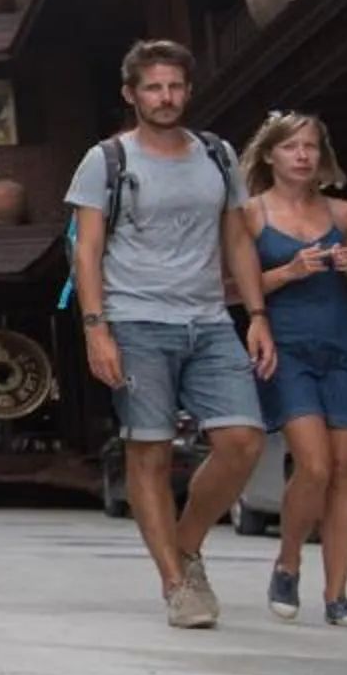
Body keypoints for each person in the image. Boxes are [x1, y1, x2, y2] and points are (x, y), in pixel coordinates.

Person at [67, 40, 277, 628]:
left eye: (176, 86)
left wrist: (257, 315)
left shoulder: (217, 154)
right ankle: (176, 584)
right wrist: (96, 328)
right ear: (131, 94)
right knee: (149, 450)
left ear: (188, 90)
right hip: (135, 319)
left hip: (209, 319)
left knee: (243, 441)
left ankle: (185, 543)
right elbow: (86, 251)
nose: (166, 98)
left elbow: (236, 238)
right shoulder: (107, 160)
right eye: (154, 88)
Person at [240, 111, 347, 626]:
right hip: (288, 348)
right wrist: (288, 271)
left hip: (345, 347)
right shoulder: (251, 214)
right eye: (292, 146)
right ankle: (288, 560)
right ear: (270, 155)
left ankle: (337, 596)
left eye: (312, 147)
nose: (303, 155)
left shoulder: (344, 214)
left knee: (346, 472)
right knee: (315, 465)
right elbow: (235, 289)